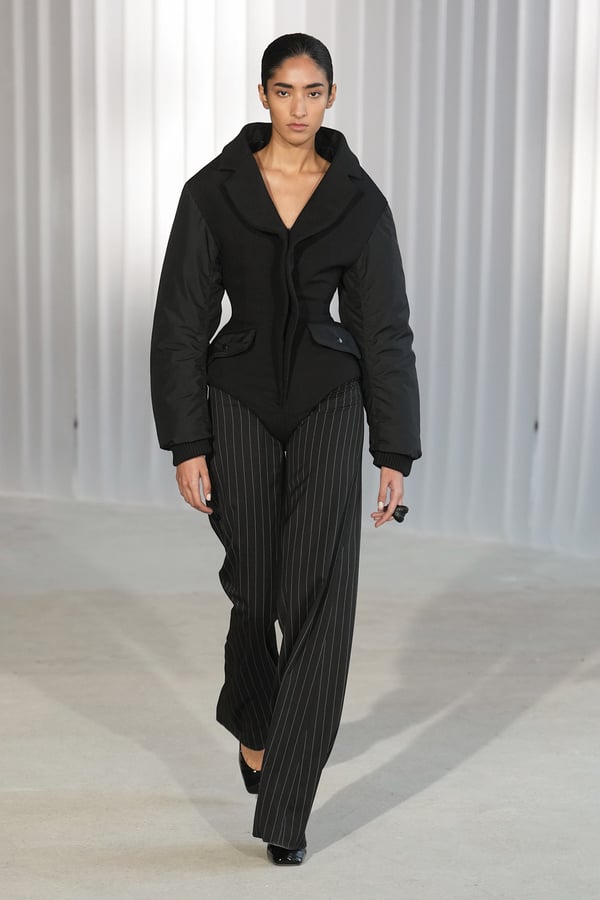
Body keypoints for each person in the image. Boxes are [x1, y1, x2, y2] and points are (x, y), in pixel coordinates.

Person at [150, 32, 421, 866]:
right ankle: (253, 715)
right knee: (256, 584)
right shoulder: (214, 191)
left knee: (320, 598)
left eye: (312, 91)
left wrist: (394, 449)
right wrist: (187, 440)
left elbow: (383, 329)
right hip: (235, 399)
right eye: (283, 90)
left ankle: (287, 810)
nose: (298, 107)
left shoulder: (359, 201)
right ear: (262, 94)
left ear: (331, 97)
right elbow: (180, 322)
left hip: (330, 402)